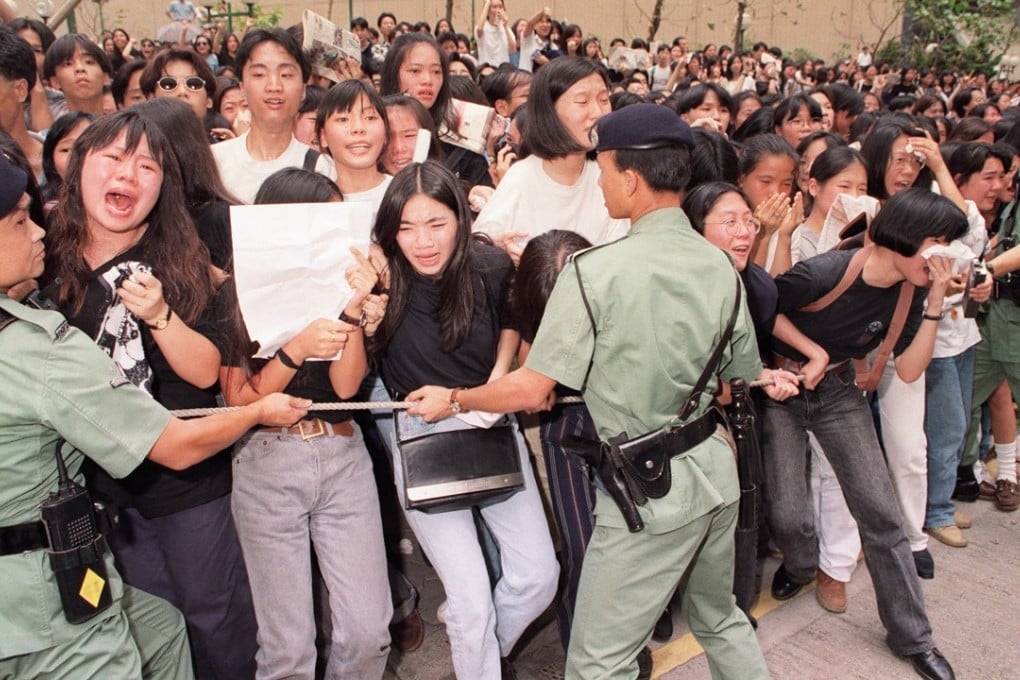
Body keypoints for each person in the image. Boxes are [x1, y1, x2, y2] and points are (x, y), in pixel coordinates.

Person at [407, 104, 797, 679]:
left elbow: (534, 386)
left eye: (604, 169)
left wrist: (457, 399)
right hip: (715, 476)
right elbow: (733, 376)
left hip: (648, 490)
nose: (600, 181)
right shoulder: (719, 266)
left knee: (596, 662)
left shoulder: (593, 272)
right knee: (721, 619)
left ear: (631, 178)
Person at [0, 150, 308, 679]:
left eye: (148, 166)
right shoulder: (38, 348)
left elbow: (206, 368)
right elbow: (174, 443)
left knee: (165, 629)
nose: (37, 233)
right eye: (20, 220)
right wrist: (256, 412)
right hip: (40, 594)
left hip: (116, 528)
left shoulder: (184, 265)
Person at [765, 187, 964, 680]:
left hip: (837, 394)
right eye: (937, 241)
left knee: (882, 516)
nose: (945, 255)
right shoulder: (827, 272)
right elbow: (763, 309)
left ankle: (914, 638)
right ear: (904, 237)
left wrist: (936, 298)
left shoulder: (912, 291)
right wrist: (808, 353)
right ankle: (801, 562)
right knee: (788, 515)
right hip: (780, 388)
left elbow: (912, 370)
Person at [371, 161, 558, 679]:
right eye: (406, 228)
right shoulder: (380, 282)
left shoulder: (490, 266)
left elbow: (513, 319)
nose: (422, 241)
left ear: (461, 218)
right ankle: (475, 653)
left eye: (436, 223)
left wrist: (494, 383)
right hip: (421, 435)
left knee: (538, 576)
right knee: (472, 598)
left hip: (489, 421)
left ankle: (471, 641)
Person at [211, 28, 336, 203]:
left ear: (303, 90)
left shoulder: (323, 168)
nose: (274, 86)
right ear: (242, 88)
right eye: (259, 75)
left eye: (286, 75)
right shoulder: (214, 163)